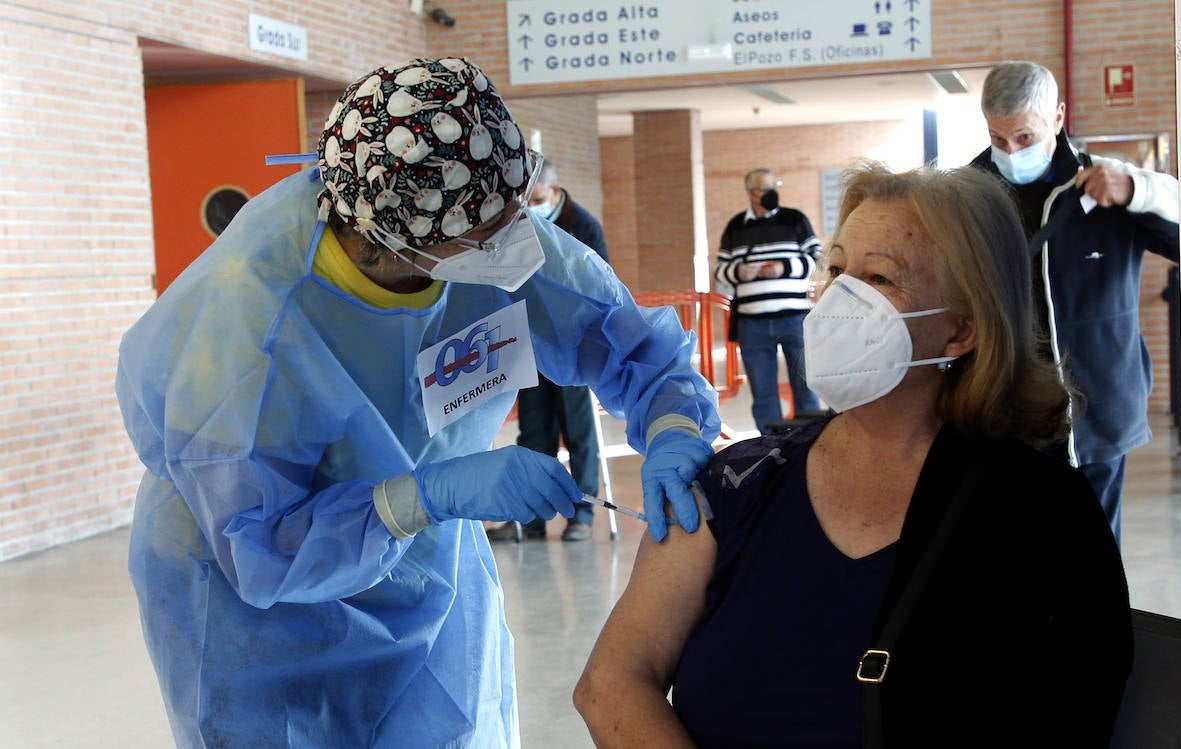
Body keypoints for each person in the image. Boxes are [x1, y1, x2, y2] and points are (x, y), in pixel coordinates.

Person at [115, 57, 720, 748]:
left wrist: (673, 425)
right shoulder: (247, 320)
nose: (517, 242)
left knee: (452, 725)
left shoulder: (479, 217)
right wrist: (425, 494)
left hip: (427, 555)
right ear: (394, 246)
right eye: (489, 233)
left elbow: (633, 345)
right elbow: (262, 545)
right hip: (250, 606)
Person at [575, 164, 1133, 747]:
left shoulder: (1039, 513)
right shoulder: (743, 482)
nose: (839, 299)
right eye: (838, 270)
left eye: (879, 279)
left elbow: (1070, 715)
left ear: (961, 331)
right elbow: (611, 681)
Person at [970, 60, 1180, 541]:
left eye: (1024, 137)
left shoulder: (1105, 186)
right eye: (998, 139)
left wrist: (1138, 189)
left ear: (1058, 118)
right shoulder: (969, 195)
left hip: (1097, 408)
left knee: (1094, 553)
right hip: (1007, 409)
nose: (1010, 151)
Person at [488, 158, 610, 542]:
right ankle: (531, 518)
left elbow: (600, 287)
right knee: (534, 432)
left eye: (536, 197)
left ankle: (582, 515)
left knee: (578, 432)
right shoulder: (516, 223)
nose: (530, 204)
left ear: (554, 192)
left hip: (572, 346)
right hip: (528, 342)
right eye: (525, 198)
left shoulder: (583, 225)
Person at [713, 168, 824, 433]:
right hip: (753, 324)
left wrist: (784, 268)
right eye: (765, 188)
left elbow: (818, 257)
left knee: (806, 385)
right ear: (751, 194)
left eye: (775, 186)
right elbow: (720, 268)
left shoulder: (795, 220)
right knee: (763, 393)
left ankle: (808, 442)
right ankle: (771, 448)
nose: (772, 192)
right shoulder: (736, 226)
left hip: (794, 318)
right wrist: (738, 272)